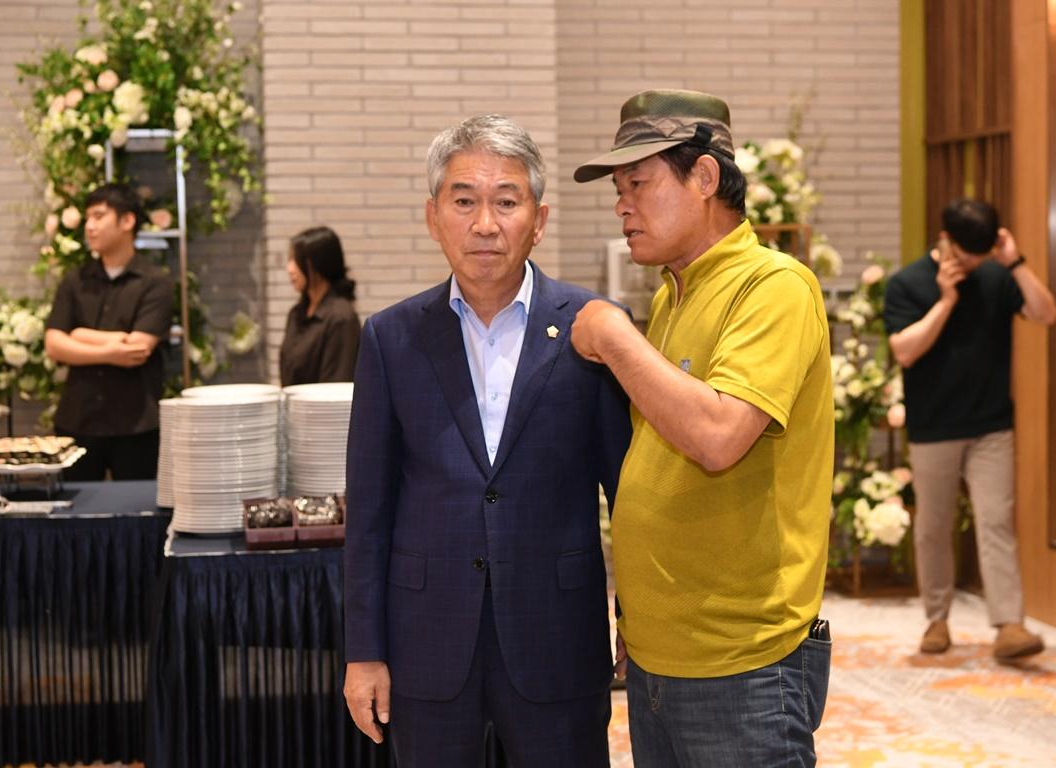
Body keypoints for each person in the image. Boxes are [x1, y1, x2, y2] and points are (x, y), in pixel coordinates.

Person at [340, 114, 631, 767]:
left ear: (539, 218)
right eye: (464, 200)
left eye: (506, 201)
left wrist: (635, 617)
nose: (484, 223)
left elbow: (630, 493)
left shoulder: (594, 329)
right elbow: (369, 511)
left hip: (559, 636)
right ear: (432, 215)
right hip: (427, 644)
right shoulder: (391, 338)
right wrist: (364, 650)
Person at [571, 89, 835, 767]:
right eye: (618, 188)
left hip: (743, 663)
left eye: (639, 183)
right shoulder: (674, 292)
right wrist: (638, 614)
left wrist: (614, 335)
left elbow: (718, 437)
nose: (621, 204)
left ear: (706, 177)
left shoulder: (774, 286)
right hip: (663, 656)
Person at [884, 198, 1056, 660]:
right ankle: (937, 619)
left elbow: (1046, 313)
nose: (975, 264)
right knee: (934, 527)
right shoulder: (907, 282)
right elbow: (904, 350)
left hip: (991, 425)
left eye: (983, 255)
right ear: (947, 239)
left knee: (996, 520)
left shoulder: (998, 274)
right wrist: (945, 302)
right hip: (934, 425)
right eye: (969, 254)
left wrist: (1014, 261)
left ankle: (1010, 626)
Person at [44, 182, 173, 481]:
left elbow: (137, 350)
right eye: (88, 218)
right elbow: (54, 344)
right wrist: (111, 345)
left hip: (136, 423)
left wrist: (78, 335)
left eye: (99, 216)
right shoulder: (75, 280)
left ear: (127, 221)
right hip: (78, 420)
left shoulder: (155, 282)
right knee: (72, 520)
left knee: (138, 514)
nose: (90, 226)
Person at [279, 225, 361, 386]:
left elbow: (336, 386)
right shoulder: (296, 314)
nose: (290, 269)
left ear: (318, 264)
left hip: (322, 410)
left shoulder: (341, 317)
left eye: (296, 260)